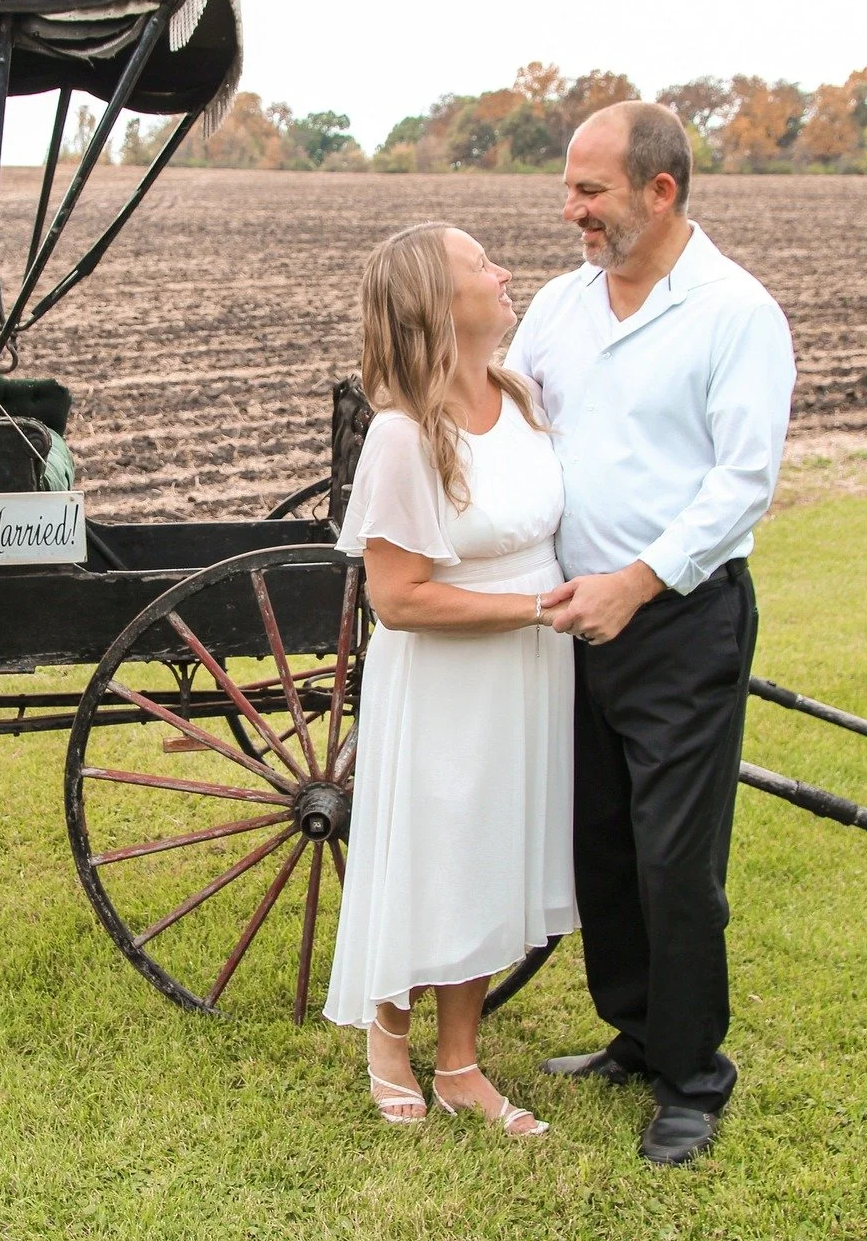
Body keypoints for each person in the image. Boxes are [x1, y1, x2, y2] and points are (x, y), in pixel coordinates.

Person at [506, 100, 796, 1165]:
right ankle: (634, 1030)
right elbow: (513, 411)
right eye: (571, 188)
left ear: (660, 191)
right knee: (601, 842)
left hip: (679, 618)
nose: (570, 208)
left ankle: (693, 1078)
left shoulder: (734, 312)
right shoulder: (559, 304)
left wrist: (638, 579)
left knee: (676, 861)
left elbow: (742, 484)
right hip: (570, 616)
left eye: (590, 190)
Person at [323, 221, 577, 1137]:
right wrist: (539, 610)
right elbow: (398, 599)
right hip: (447, 681)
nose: (505, 273)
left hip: (529, 675)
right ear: (437, 301)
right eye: (482, 265)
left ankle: (461, 1061)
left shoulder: (522, 397)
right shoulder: (402, 438)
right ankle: (387, 1037)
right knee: (435, 852)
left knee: (491, 855)